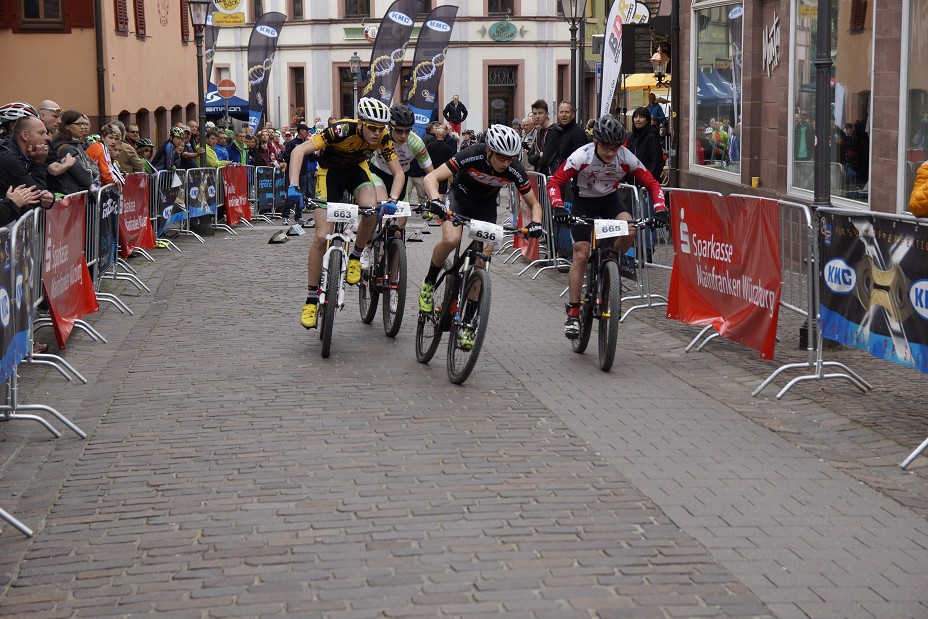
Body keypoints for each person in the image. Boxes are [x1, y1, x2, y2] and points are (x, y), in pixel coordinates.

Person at [546, 115, 668, 339]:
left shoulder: (625, 157)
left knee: (630, 227)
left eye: (615, 148)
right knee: (581, 254)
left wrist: (660, 209)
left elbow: (651, 183)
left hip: (610, 200)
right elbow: (554, 182)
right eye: (606, 148)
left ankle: (612, 260)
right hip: (584, 202)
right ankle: (573, 312)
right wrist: (558, 207)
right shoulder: (582, 156)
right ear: (596, 142)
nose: (611, 153)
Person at [287, 97, 405, 330]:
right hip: (329, 173)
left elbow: (398, 174)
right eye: (371, 127)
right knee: (321, 237)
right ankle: (311, 299)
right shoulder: (340, 129)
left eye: (380, 128)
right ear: (360, 122)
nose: (376, 132)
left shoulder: (383, 137)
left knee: (371, 210)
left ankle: (355, 256)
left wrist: (392, 200)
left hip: (356, 172)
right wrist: (293, 185)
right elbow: (299, 150)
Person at [417, 124, 544, 318]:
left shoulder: (514, 169)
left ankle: (468, 319)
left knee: (482, 259)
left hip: (485, 206)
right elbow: (431, 178)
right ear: (488, 150)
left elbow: (534, 204)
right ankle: (429, 283)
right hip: (460, 197)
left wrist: (536, 223)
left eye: (510, 158)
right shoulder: (472, 154)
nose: (505, 163)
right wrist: (435, 200)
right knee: (452, 239)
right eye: (501, 157)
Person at [0, 115, 56, 223]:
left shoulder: (26, 154)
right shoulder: (9, 158)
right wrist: (39, 163)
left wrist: (51, 197)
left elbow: (43, 194)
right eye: (41, 133)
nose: (47, 138)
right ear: (25, 135)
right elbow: (37, 196)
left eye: (46, 133)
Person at [48, 109, 98, 195]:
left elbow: (95, 166)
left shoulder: (77, 145)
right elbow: (86, 180)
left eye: (84, 124)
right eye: (79, 124)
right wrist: (89, 169)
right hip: (72, 197)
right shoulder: (66, 149)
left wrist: (88, 169)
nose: (83, 127)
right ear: (67, 126)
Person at [527, 99, 554, 175]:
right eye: (535, 113)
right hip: (540, 176)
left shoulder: (554, 131)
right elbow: (530, 158)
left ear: (547, 114)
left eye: (540, 113)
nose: (537, 116)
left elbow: (545, 160)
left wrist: (535, 158)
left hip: (550, 176)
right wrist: (538, 155)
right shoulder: (538, 132)